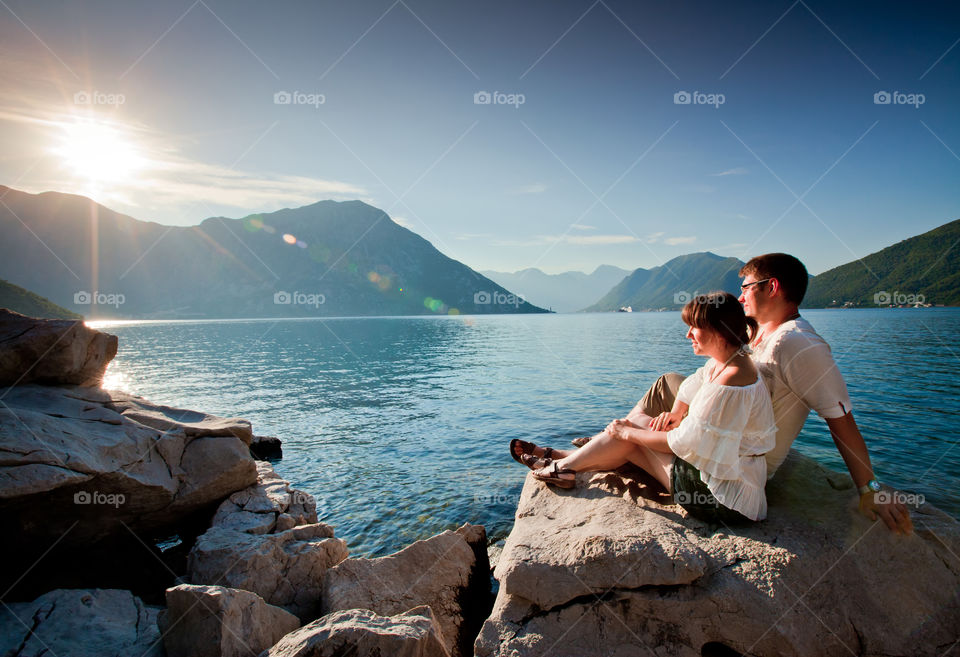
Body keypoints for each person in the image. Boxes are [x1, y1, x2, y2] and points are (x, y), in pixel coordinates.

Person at [511, 291, 777, 523]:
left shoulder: (732, 377)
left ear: (718, 331)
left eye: (694, 328)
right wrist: (676, 412)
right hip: (729, 481)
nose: (687, 335)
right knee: (633, 432)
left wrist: (628, 432)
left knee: (634, 430)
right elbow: (692, 385)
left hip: (723, 500)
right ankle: (567, 462)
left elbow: (684, 442)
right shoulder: (729, 360)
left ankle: (565, 464)